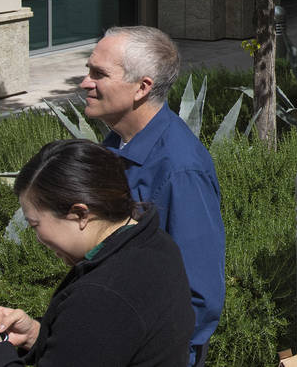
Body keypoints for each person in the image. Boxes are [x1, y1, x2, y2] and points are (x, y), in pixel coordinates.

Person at [81, 27, 224, 366]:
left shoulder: (179, 170)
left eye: (98, 74)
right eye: (89, 70)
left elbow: (200, 295)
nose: (85, 82)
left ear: (142, 88)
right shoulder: (117, 144)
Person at [0, 140, 194, 367]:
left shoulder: (102, 295)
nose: (38, 240)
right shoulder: (154, 243)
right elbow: (105, 345)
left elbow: (100, 320)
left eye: (34, 224)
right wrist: (36, 335)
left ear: (79, 214)